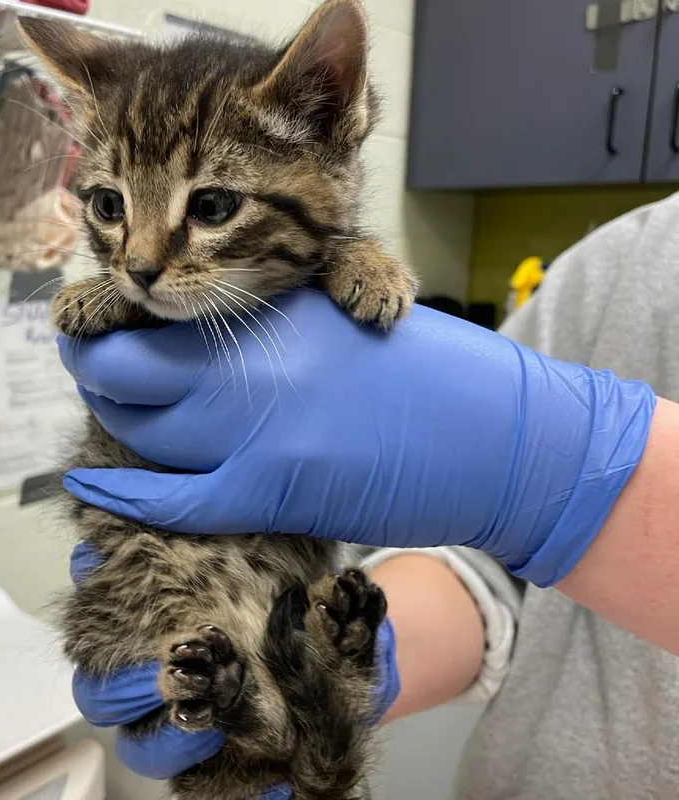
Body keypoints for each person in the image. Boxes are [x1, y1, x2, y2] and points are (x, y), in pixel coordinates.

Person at [59, 192, 679, 798]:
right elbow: (499, 564)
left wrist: (545, 471)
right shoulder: (625, 259)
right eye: (111, 207)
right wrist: (361, 657)